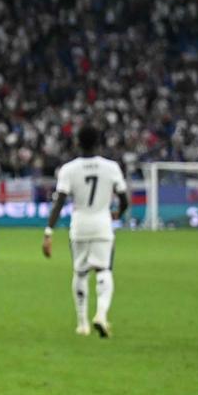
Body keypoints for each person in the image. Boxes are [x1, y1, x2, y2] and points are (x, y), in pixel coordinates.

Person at [43, 125, 129, 338]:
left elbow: (59, 202)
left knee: (80, 273)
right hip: (102, 224)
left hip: (79, 226)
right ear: (99, 142)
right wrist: (118, 213)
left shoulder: (69, 169)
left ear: (77, 143)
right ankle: (101, 313)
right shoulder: (111, 167)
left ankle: (82, 323)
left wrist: (48, 231)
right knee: (104, 270)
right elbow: (125, 199)